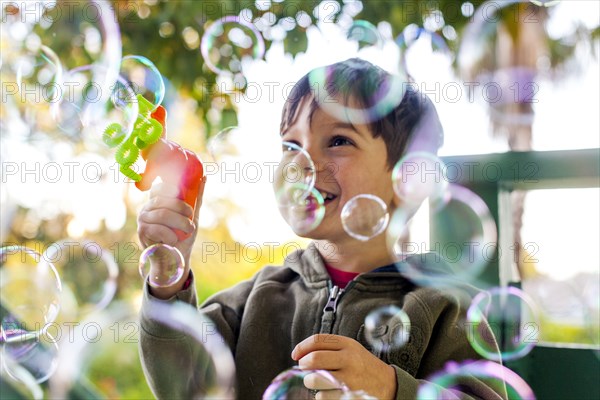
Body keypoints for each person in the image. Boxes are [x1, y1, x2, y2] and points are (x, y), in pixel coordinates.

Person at [137, 58, 506, 399]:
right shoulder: (257, 298)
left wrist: (391, 389)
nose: (303, 163)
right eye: (291, 144)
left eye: (339, 141)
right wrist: (168, 274)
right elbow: (182, 384)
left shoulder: (445, 306)